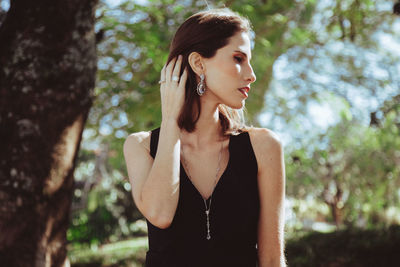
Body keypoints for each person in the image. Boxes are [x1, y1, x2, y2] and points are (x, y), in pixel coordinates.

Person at [123, 7, 286, 267]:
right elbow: (160, 214)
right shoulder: (141, 146)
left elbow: (272, 259)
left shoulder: (263, 146)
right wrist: (170, 122)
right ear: (199, 63)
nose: (251, 73)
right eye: (238, 58)